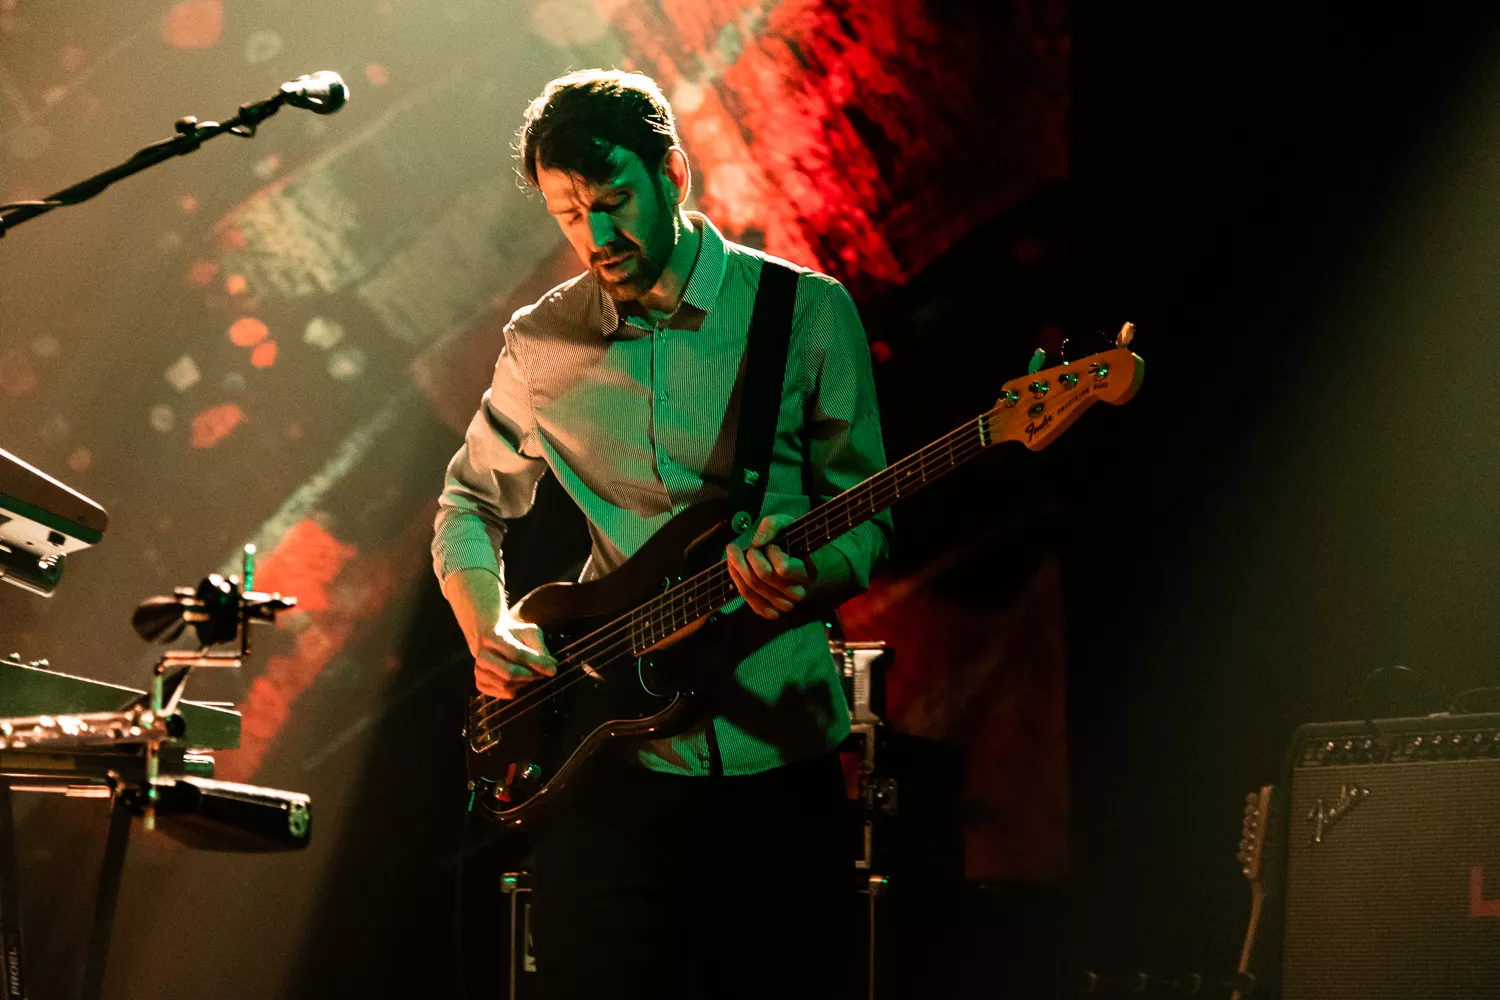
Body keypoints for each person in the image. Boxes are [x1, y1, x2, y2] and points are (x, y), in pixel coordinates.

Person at [431, 68, 892, 999]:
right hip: (608, 771)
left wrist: (808, 576)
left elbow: (871, 522)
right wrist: (490, 626)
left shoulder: (803, 313)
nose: (596, 238)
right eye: (569, 215)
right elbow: (468, 504)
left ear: (672, 174)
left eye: (612, 203)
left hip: (778, 761)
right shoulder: (539, 342)